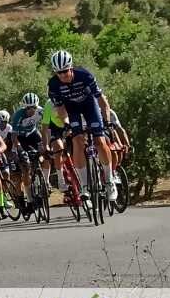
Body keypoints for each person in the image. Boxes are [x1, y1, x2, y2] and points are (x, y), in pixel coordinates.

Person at [46, 50, 118, 201]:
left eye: (65, 71)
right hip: (72, 110)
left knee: (99, 140)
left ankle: (110, 181)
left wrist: (107, 121)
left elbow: (101, 100)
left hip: (89, 106)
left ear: (70, 68)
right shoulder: (53, 85)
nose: (62, 75)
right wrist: (66, 125)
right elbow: (60, 109)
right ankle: (84, 186)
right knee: (77, 140)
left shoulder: (85, 76)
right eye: (59, 72)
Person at [10, 92, 45, 201]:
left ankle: (44, 179)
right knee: (25, 166)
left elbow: (46, 126)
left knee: (45, 150)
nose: (31, 110)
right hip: (20, 137)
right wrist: (19, 148)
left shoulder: (41, 111)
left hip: (33, 133)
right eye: (28, 108)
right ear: (24, 107)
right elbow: (14, 136)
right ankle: (29, 198)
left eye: (33, 107)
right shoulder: (18, 115)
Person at [40, 98, 70, 193]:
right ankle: (61, 181)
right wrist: (46, 146)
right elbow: (44, 128)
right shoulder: (49, 104)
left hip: (69, 124)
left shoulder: (69, 98)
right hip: (55, 128)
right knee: (58, 148)